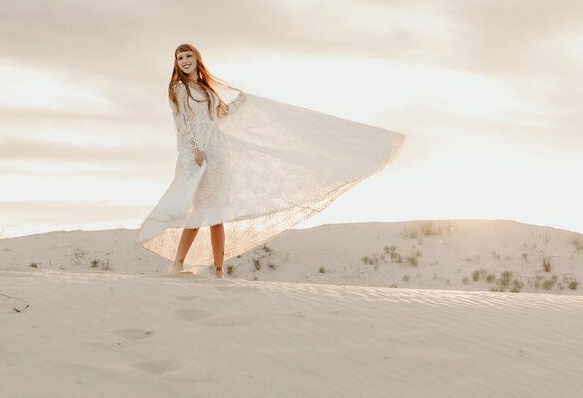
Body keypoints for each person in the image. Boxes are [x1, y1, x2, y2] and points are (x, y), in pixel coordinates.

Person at [138, 44, 405, 277]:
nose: (184, 61)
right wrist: (195, 150)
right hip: (195, 155)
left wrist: (242, 102)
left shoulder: (205, 88)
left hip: (217, 152)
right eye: (180, 57)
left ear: (196, 59)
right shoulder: (178, 88)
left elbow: (221, 113)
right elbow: (182, 123)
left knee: (217, 212)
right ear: (177, 62)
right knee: (198, 211)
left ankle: (219, 272)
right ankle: (178, 263)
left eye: (188, 56)